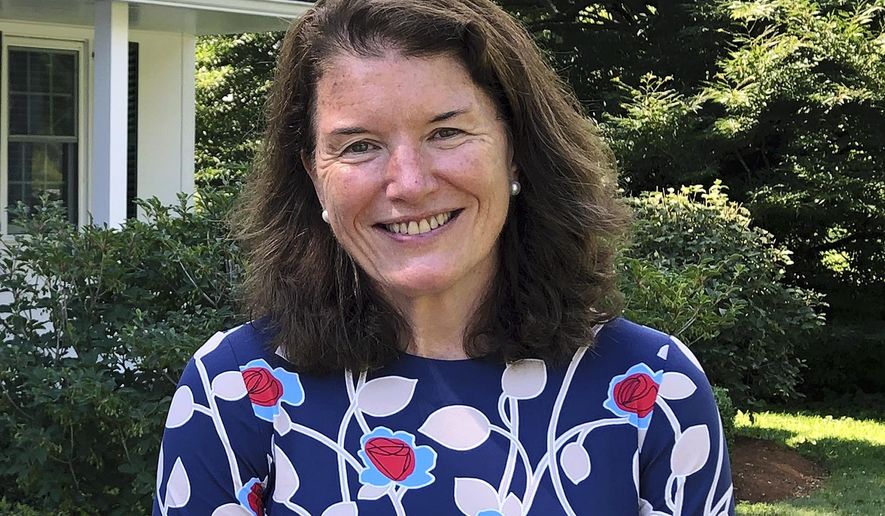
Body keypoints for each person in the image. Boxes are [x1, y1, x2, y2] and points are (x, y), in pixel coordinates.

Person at [153, 0, 735, 514]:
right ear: (314, 179)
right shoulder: (235, 387)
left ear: (515, 151)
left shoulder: (653, 387)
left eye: (447, 133)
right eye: (359, 146)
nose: (408, 183)